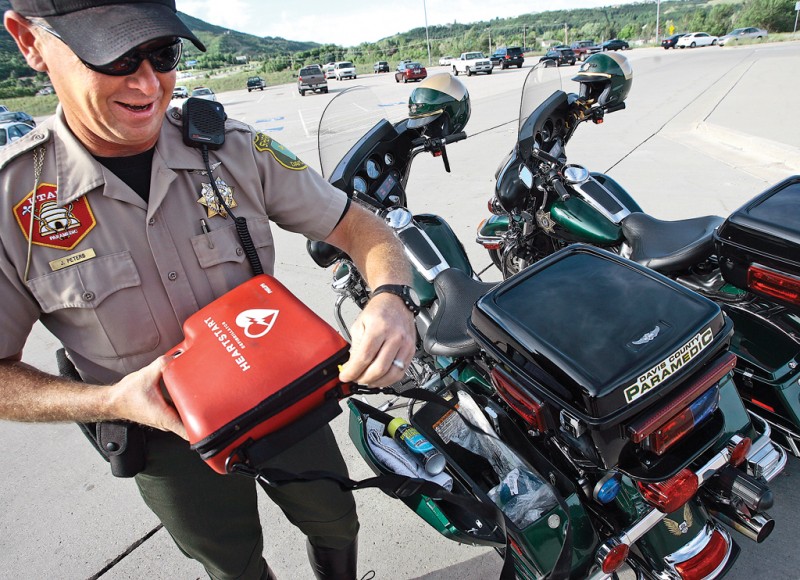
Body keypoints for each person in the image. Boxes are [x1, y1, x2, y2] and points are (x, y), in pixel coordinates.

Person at [0, 1, 417, 579]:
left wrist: (390, 300)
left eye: (162, 53)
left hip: (287, 400)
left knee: (335, 520)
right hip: (164, 439)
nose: (148, 84)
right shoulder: (12, 204)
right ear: (29, 42)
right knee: (231, 564)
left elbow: (361, 227)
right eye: (116, 59)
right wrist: (105, 402)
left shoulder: (232, 147)